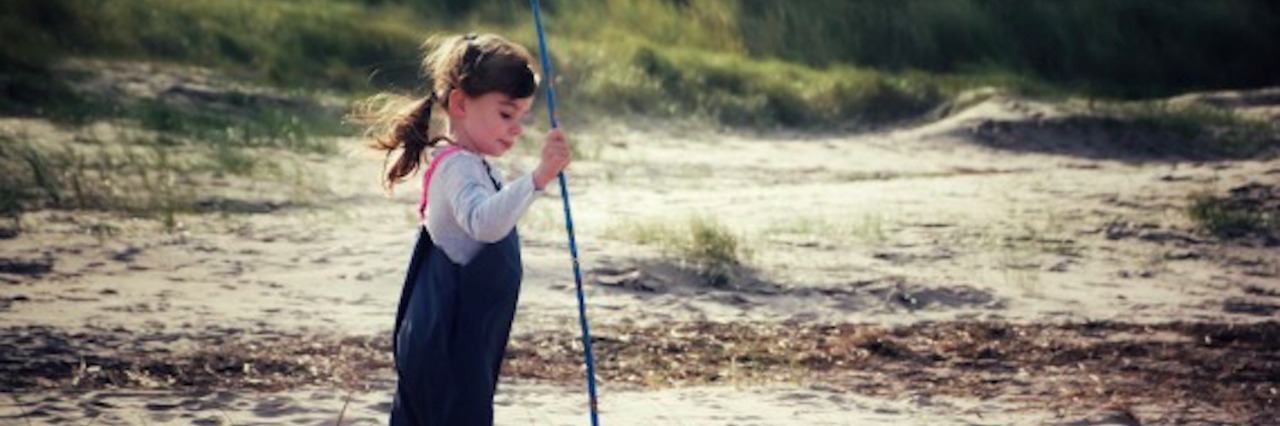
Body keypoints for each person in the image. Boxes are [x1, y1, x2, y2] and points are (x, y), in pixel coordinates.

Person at [351, 33, 571, 426]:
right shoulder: (457, 167)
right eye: (506, 114)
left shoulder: (474, 164)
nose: (516, 128)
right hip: (445, 337)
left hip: (462, 334)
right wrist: (538, 178)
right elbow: (483, 224)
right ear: (459, 103)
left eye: (522, 117)